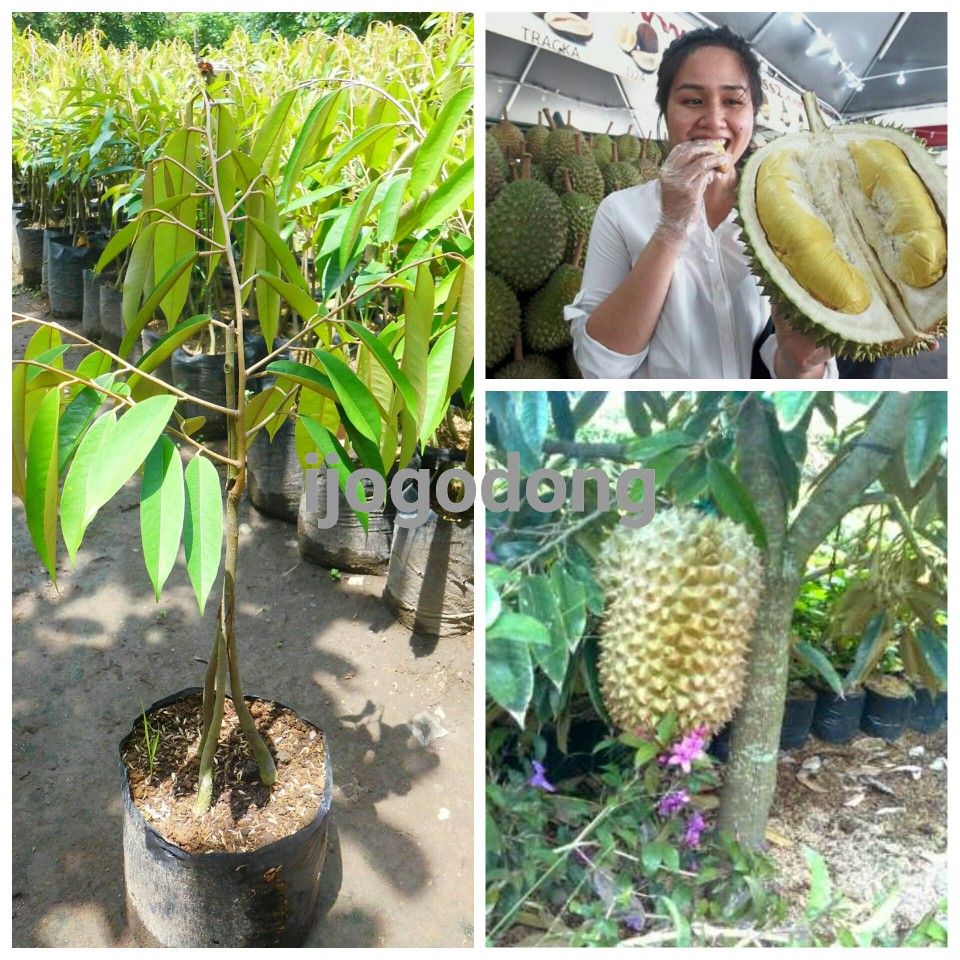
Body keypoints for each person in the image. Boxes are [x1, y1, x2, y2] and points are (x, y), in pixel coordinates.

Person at [565, 25, 838, 379]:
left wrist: (803, 363)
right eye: (692, 100)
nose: (713, 121)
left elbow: (791, 368)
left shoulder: (785, 217)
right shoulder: (620, 212)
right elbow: (599, 366)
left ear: (753, 112)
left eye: (733, 101)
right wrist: (671, 226)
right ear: (665, 111)